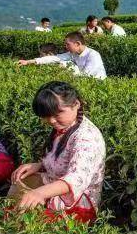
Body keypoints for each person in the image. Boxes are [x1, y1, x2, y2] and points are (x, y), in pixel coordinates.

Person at [8, 81, 105, 224]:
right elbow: (61, 158)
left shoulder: (87, 138)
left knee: (23, 222)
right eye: (47, 116)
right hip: (54, 186)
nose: (52, 121)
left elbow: (76, 178)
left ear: (76, 104)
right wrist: (39, 165)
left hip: (77, 206)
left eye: (57, 114)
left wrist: (39, 193)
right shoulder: (65, 127)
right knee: (17, 192)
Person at [18, 32, 107, 79]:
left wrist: (66, 73)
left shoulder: (93, 55)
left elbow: (86, 76)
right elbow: (55, 58)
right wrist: (28, 62)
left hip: (97, 83)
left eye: (68, 44)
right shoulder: (73, 53)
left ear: (77, 43)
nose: (66, 47)